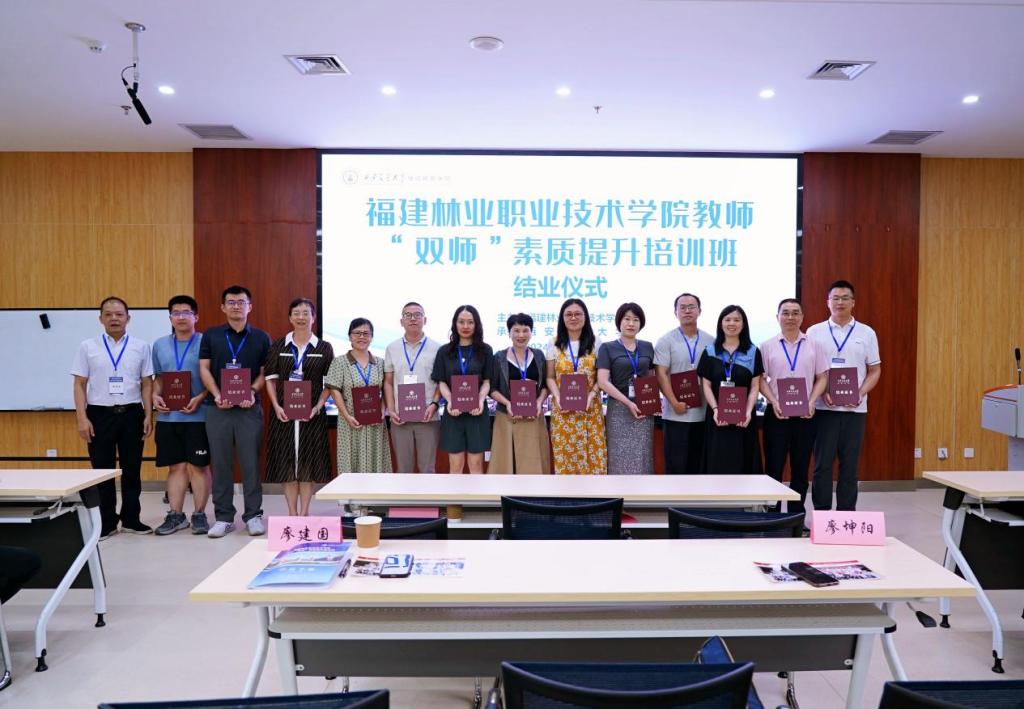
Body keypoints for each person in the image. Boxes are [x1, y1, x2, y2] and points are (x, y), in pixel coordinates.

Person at [71, 296, 154, 538]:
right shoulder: (88, 346)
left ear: (128, 318)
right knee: (101, 471)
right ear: (101, 319)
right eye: (108, 314)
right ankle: (106, 522)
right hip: (99, 415)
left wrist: (148, 415)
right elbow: (79, 384)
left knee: (132, 469)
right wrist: (82, 418)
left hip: (132, 414)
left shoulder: (141, 346)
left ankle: (131, 519)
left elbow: (147, 383)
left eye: (119, 314)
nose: (114, 318)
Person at [198, 285, 271, 538]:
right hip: (217, 408)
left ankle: (253, 515)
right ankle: (224, 517)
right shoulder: (212, 335)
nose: (236, 306)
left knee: (251, 464)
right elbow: (204, 368)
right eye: (231, 302)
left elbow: (265, 373)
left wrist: (251, 391)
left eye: (241, 302)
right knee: (220, 464)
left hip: (249, 409)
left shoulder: (261, 337)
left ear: (250, 306)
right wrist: (217, 394)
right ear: (223, 307)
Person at [807, 280, 881, 511]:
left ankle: (846, 516)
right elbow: (809, 370)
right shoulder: (814, 332)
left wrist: (859, 393)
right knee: (822, 466)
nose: (840, 302)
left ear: (853, 302)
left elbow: (875, 370)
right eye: (835, 298)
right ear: (827, 302)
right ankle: (822, 515)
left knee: (850, 466)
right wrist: (823, 391)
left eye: (845, 298)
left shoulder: (866, 332)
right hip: (824, 409)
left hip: (855, 410)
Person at [263, 298, 335, 515]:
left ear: (314, 318)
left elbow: (329, 384)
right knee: (287, 464)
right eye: (296, 313)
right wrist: (276, 406)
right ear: (290, 317)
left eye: (306, 313)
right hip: (283, 415)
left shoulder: (324, 348)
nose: (301, 317)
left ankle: (304, 513)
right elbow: (270, 379)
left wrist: (318, 407)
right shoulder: (278, 346)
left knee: (307, 464)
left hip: (312, 416)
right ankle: (292, 513)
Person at [151, 295, 212, 535]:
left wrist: (201, 397)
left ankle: (199, 514)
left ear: (196, 316)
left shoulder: (207, 342)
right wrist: (155, 396)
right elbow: (158, 377)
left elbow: (214, 378)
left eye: (186, 312)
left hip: (199, 416)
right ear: (170, 318)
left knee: (199, 467)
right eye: (176, 313)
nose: (181, 317)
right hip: (168, 418)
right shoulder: (159, 345)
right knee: (175, 467)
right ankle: (176, 515)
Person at [758, 298, 818, 514]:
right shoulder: (767, 346)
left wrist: (812, 401)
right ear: (777, 317)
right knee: (773, 468)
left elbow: (822, 377)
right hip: (776, 415)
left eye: (795, 313)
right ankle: (772, 518)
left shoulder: (814, 345)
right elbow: (760, 380)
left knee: (800, 470)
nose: (790, 317)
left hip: (805, 416)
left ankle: (795, 517)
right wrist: (773, 401)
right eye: (785, 313)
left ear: (802, 317)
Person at [697, 305, 764, 474]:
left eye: (736, 320)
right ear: (721, 324)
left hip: (744, 418)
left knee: (743, 460)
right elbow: (706, 385)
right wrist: (716, 409)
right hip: (717, 417)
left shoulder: (753, 352)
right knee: (717, 460)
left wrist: (748, 412)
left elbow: (755, 386)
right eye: (727, 319)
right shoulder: (710, 352)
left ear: (743, 324)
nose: (731, 323)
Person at [654, 293, 715, 474]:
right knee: (676, 467)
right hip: (675, 415)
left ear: (699, 311)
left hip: (704, 415)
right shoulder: (666, 340)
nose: (687, 311)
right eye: (682, 307)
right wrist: (674, 403)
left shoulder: (711, 341)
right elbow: (661, 374)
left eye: (691, 307)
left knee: (699, 467)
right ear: (676, 312)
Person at [545, 299, 607, 475]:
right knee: (566, 460)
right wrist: (558, 397)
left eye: (578, 314)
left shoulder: (596, 342)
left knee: (593, 460)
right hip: (563, 411)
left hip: (590, 410)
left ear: (585, 317)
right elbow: (550, 377)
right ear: (562, 318)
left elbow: (601, 377)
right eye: (569, 314)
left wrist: (591, 395)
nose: (573, 318)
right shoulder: (554, 343)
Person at [326, 318, 393, 474]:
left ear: (372, 337)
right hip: (350, 421)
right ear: (350, 337)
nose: (361, 337)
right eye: (357, 333)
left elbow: (386, 389)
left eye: (366, 333)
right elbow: (334, 390)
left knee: (377, 463)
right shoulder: (339, 362)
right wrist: (346, 415)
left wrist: (382, 410)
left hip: (375, 423)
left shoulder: (381, 363)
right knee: (351, 463)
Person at [430, 305, 492, 474]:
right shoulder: (445, 351)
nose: (465, 326)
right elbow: (441, 381)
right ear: (455, 324)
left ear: (476, 324)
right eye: (461, 322)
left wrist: (480, 400)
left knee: (476, 465)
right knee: (455, 466)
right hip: (453, 413)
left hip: (477, 413)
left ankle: (477, 494)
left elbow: (487, 381)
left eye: (470, 322)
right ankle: (454, 495)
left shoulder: (485, 350)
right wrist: (451, 400)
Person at [383, 302, 442, 473]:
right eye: (408, 315)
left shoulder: (437, 348)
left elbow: (441, 382)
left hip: (428, 418)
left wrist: (434, 405)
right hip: (400, 419)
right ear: (401, 321)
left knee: (427, 469)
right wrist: (391, 410)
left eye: (417, 315)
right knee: (403, 469)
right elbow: (388, 382)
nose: (413, 319)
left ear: (425, 320)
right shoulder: (392, 348)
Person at [598, 303, 656, 475]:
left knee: (642, 458)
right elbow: (603, 382)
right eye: (627, 319)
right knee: (619, 458)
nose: (631, 323)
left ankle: (643, 492)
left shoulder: (647, 346)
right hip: (619, 409)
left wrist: (651, 402)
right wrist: (628, 403)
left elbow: (651, 376)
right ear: (619, 322)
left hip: (643, 409)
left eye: (636, 320)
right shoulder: (607, 347)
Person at [489, 313, 551, 474]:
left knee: (534, 465)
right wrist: (508, 403)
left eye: (525, 330)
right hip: (507, 417)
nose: (521, 335)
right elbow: (492, 388)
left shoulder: (539, 355)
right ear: (509, 333)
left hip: (533, 417)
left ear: (531, 332)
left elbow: (546, 385)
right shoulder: (499, 357)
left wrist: (539, 402)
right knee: (505, 466)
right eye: (516, 330)